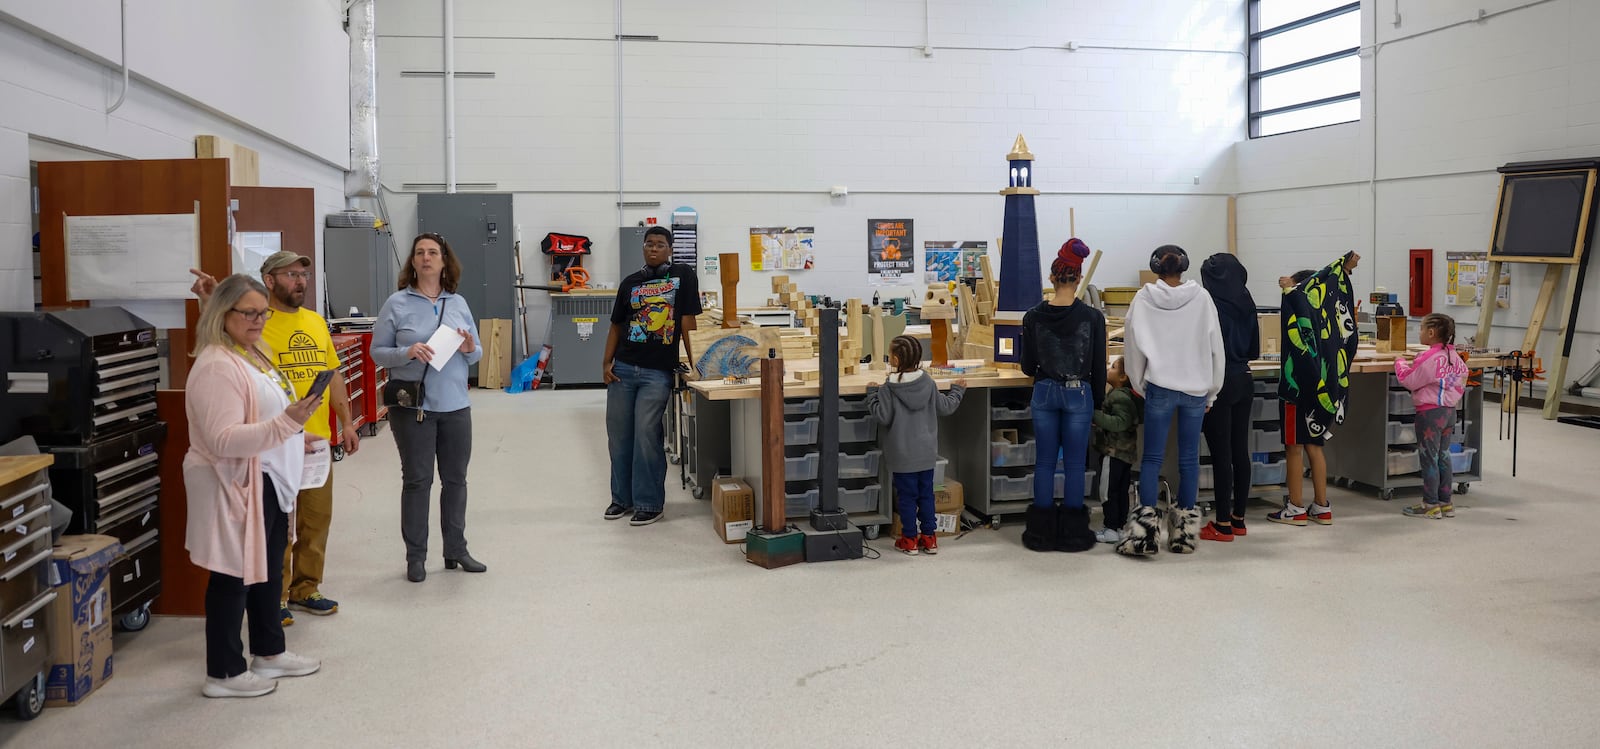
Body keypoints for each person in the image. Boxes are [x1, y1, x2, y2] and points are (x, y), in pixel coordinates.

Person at [189, 252, 360, 626]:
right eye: (291, 274)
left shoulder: (313, 322)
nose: (300, 281)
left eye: (304, 274)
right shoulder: (246, 338)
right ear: (269, 279)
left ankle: (305, 588)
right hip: (266, 451)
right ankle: (275, 598)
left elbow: (331, 375)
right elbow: (221, 340)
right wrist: (211, 302)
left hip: (311, 442)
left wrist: (346, 422)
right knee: (273, 533)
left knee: (314, 520)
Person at [183, 274, 322, 698]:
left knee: (264, 569)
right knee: (233, 575)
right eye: (250, 313)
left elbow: (267, 409)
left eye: (263, 312)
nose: (260, 320)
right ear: (224, 314)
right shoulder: (215, 366)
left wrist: (297, 435)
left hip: (268, 479)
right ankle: (222, 674)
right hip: (234, 482)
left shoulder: (247, 351)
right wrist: (287, 424)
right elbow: (224, 438)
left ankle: (268, 652)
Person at [371, 233, 484, 583]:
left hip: (455, 406)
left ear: (444, 261)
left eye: (433, 252)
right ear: (413, 261)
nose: (426, 258)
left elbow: (477, 351)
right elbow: (378, 352)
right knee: (418, 481)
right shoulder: (397, 303)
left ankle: (456, 550)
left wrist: (468, 347)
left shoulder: (459, 302)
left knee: (456, 481)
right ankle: (415, 558)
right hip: (413, 407)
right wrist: (407, 352)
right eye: (419, 252)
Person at [1118, 245, 1225, 556]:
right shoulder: (1202, 298)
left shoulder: (1143, 298)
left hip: (1159, 387)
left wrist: (1139, 383)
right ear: (1184, 267)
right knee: (1189, 459)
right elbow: (1215, 345)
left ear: (1155, 268)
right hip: (1195, 388)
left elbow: (1132, 344)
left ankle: (1145, 535)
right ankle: (1183, 537)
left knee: (1151, 459)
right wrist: (1213, 389)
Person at [602, 225, 701, 526]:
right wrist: (606, 363)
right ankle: (622, 499)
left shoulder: (682, 276)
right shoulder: (630, 283)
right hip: (623, 368)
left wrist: (694, 362)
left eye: (660, 244)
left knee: (646, 433)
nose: (654, 248)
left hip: (657, 372)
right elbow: (617, 326)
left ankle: (649, 502)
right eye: (649, 244)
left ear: (670, 249)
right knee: (619, 436)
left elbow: (687, 324)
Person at [1019, 239, 1106, 553]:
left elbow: (1027, 366)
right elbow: (1098, 366)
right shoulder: (1093, 318)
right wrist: (1098, 401)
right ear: (1079, 278)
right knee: (1073, 465)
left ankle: (1041, 533)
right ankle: (1072, 534)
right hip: (1079, 394)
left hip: (1044, 391)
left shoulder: (1032, 318)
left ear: (1052, 278)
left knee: (1043, 463)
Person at [1268, 252, 1360, 527]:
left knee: (1294, 448)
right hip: (1326, 387)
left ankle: (1295, 507)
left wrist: (1290, 290)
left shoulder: (1301, 306)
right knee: (1315, 446)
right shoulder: (1328, 317)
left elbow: (1299, 303)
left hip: (1297, 390)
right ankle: (1321, 506)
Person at [866, 335, 966, 556]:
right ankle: (930, 539)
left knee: (907, 498)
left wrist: (871, 395)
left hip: (903, 456)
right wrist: (957, 391)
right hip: (927, 454)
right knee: (926, 495)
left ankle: (909, 540)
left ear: (894, 359)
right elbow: (946, 407)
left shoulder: (888, 388)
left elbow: (882, 416)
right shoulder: (928, 383)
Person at [1197, 253, 1260, 542]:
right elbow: (1254, 350)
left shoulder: (1208, 305)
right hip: (1245, 379)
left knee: (1220, 454)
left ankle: (1221, 523)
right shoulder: (1246, 299)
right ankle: (1238, 519)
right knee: (1239, 451)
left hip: (1218, 382)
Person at [1395, 313, 1468, 519]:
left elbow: (1409, 381)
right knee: (1444, 456)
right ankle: (1446, 502)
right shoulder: (1455, 358)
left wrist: (1399, 362)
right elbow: (1462, 379)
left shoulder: (1430, 358)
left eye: (1420, 329)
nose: (1419, 333)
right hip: (1449, 412)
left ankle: (1430, 504)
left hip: (1429, 414)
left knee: (1429, 458)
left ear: (1431, 332)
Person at [1091, 357, 1138, 544]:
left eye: (1113, 367)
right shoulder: (1124, 395)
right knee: (1120, 491)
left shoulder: (1119, 396)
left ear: (1123, 377)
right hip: (1125, 454)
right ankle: (1118, 526)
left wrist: (1095, 415)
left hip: (1113, 452)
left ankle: (1110, 527)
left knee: (1107, 491)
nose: (1108, 369)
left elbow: (1119, 423)